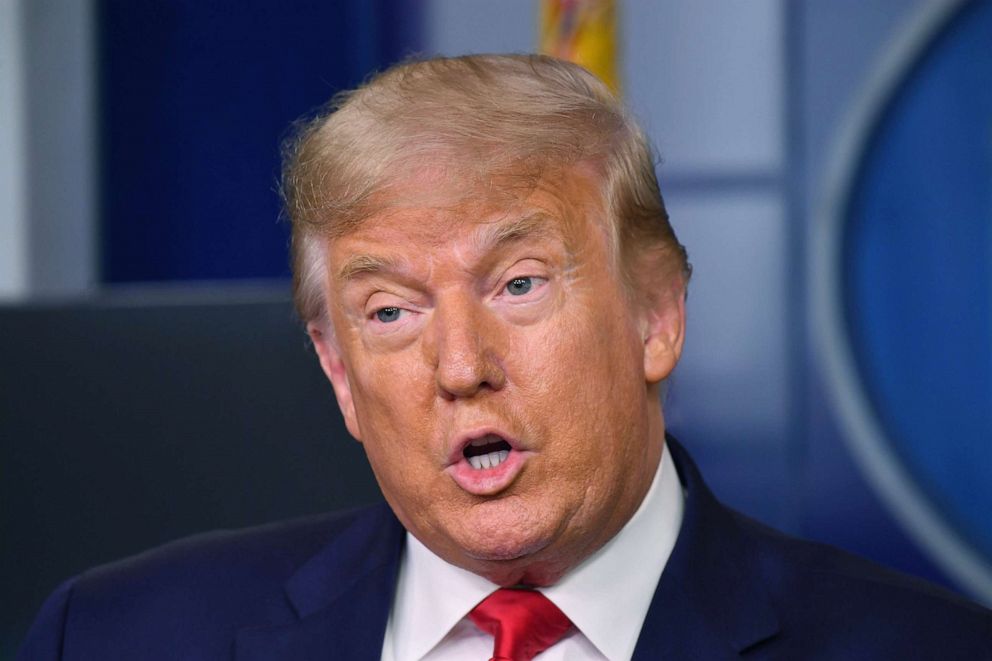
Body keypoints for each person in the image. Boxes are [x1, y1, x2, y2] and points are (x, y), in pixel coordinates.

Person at [18, 54, 991, 660]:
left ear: (655, 314)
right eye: (390, 311)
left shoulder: (927, 648)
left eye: (517, 284)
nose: (458, 366)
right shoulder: (108, 639)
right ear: (337, 373)